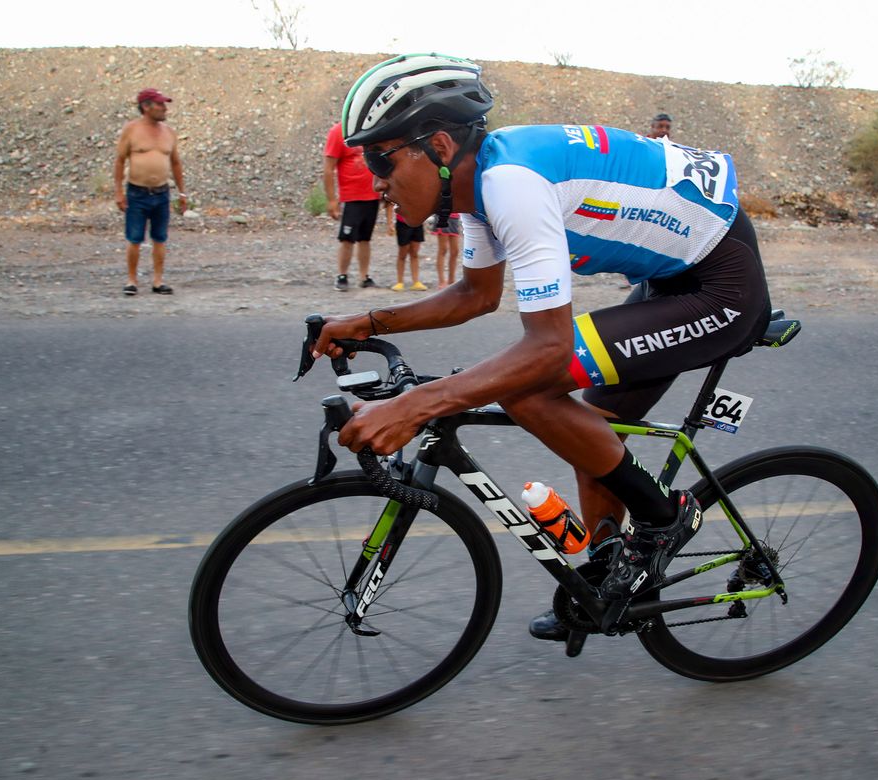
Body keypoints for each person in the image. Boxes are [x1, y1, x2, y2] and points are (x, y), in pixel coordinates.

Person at [313, 54, 771, 642]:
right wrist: (369, 320)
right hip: (674, 276)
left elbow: (547, 350)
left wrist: (415, 404)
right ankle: (613, 569)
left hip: (722, 290)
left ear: (442, 146)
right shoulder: (477, 187)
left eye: (382, 157)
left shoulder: (512, 185)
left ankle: (666, 516)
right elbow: (475, 297)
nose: (375, 178)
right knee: (590, 424)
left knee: (530, 389)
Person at [114, 88, 186, 296]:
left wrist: (182, 194)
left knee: (160, 238)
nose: (165, 108)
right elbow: (120, 161)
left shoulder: (169, 132)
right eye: (160, 104)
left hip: (162, 193)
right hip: (137, 193)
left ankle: (157, 281)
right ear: (146, 107)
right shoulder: (131, 130)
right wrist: (119, 192)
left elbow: (176, 163)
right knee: (135, 238)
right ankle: (132, 280)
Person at [323, 121, 382, 291]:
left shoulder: (371, 129)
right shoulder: (338, 132)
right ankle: (342, 275)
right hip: (351, 197)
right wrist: (332, 199)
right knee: (347, 238)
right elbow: (328, 169)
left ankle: (364, 276)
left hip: (371, 196)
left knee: (365, 238)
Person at [390, 211, 427, 291]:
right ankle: (400, 282)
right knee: (402, 254)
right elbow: (391, 204)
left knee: (414, 253)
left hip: (417, 222)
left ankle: (416, 281)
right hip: (403, 221)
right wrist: (390, 223)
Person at [429, 213, 462, 289]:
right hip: (443, 215)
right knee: (443, 250)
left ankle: (451, 280)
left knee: (455, 251)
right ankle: (441, 281)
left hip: (455, 217)